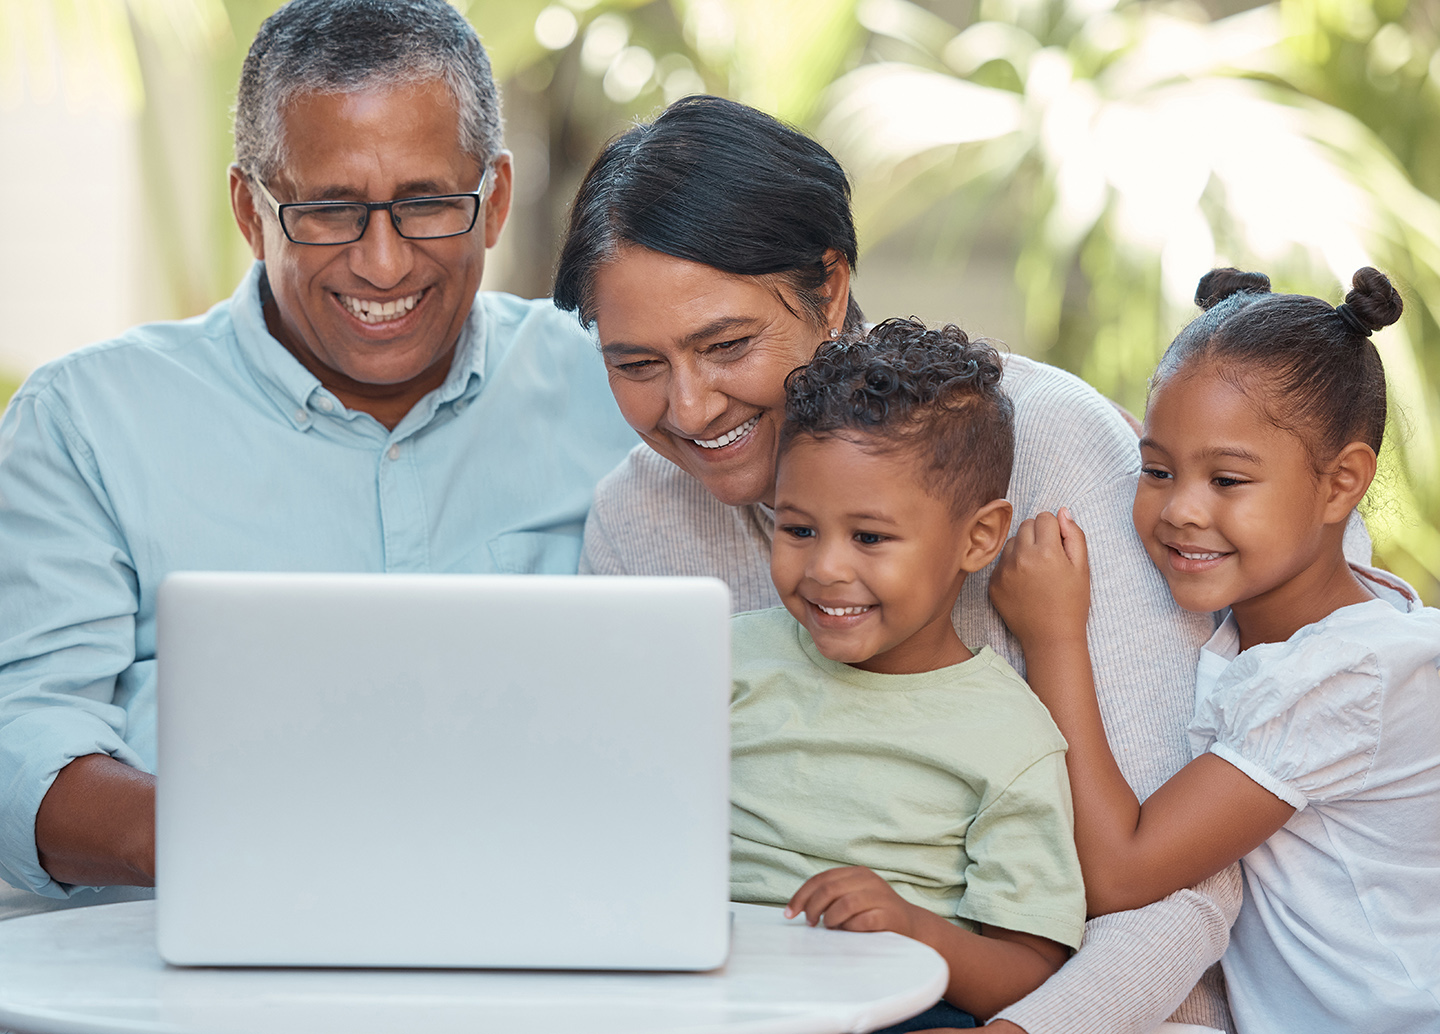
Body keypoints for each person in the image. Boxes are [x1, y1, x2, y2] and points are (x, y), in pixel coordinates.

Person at [556, 94, 1244, 1033]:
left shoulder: (1052, 449)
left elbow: (1188, 886)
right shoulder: (639, 516)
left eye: (727, 346)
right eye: (636, 364)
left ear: (829, 289)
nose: (690, 406)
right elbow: (621, 827)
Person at [0, 0, 636, 913]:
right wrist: (253, 839)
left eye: (426, 205)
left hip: (546, 946)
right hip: (187, 975)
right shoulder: (86, 422)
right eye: (331, 211)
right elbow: (22, 742)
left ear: (493, 201)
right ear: (250, 213)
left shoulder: (615, 389)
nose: (383, 264)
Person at [989, 268, 1440, 1033]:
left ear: (1341, 485)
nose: (1181, 510)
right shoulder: (1290, 620)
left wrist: (1054, 638)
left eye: (1227, 478)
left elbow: (1120, 872)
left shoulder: (1348, 675)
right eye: (1157, 470)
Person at [732, 318, 1085, 1030]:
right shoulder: (721, 661)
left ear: (979, 538)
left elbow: (1030, 973)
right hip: (717, 985)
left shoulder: (1009, 735)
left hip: (900, 1008)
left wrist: (911, 926)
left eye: (869, 537)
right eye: (799, 529)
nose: (826, 567)